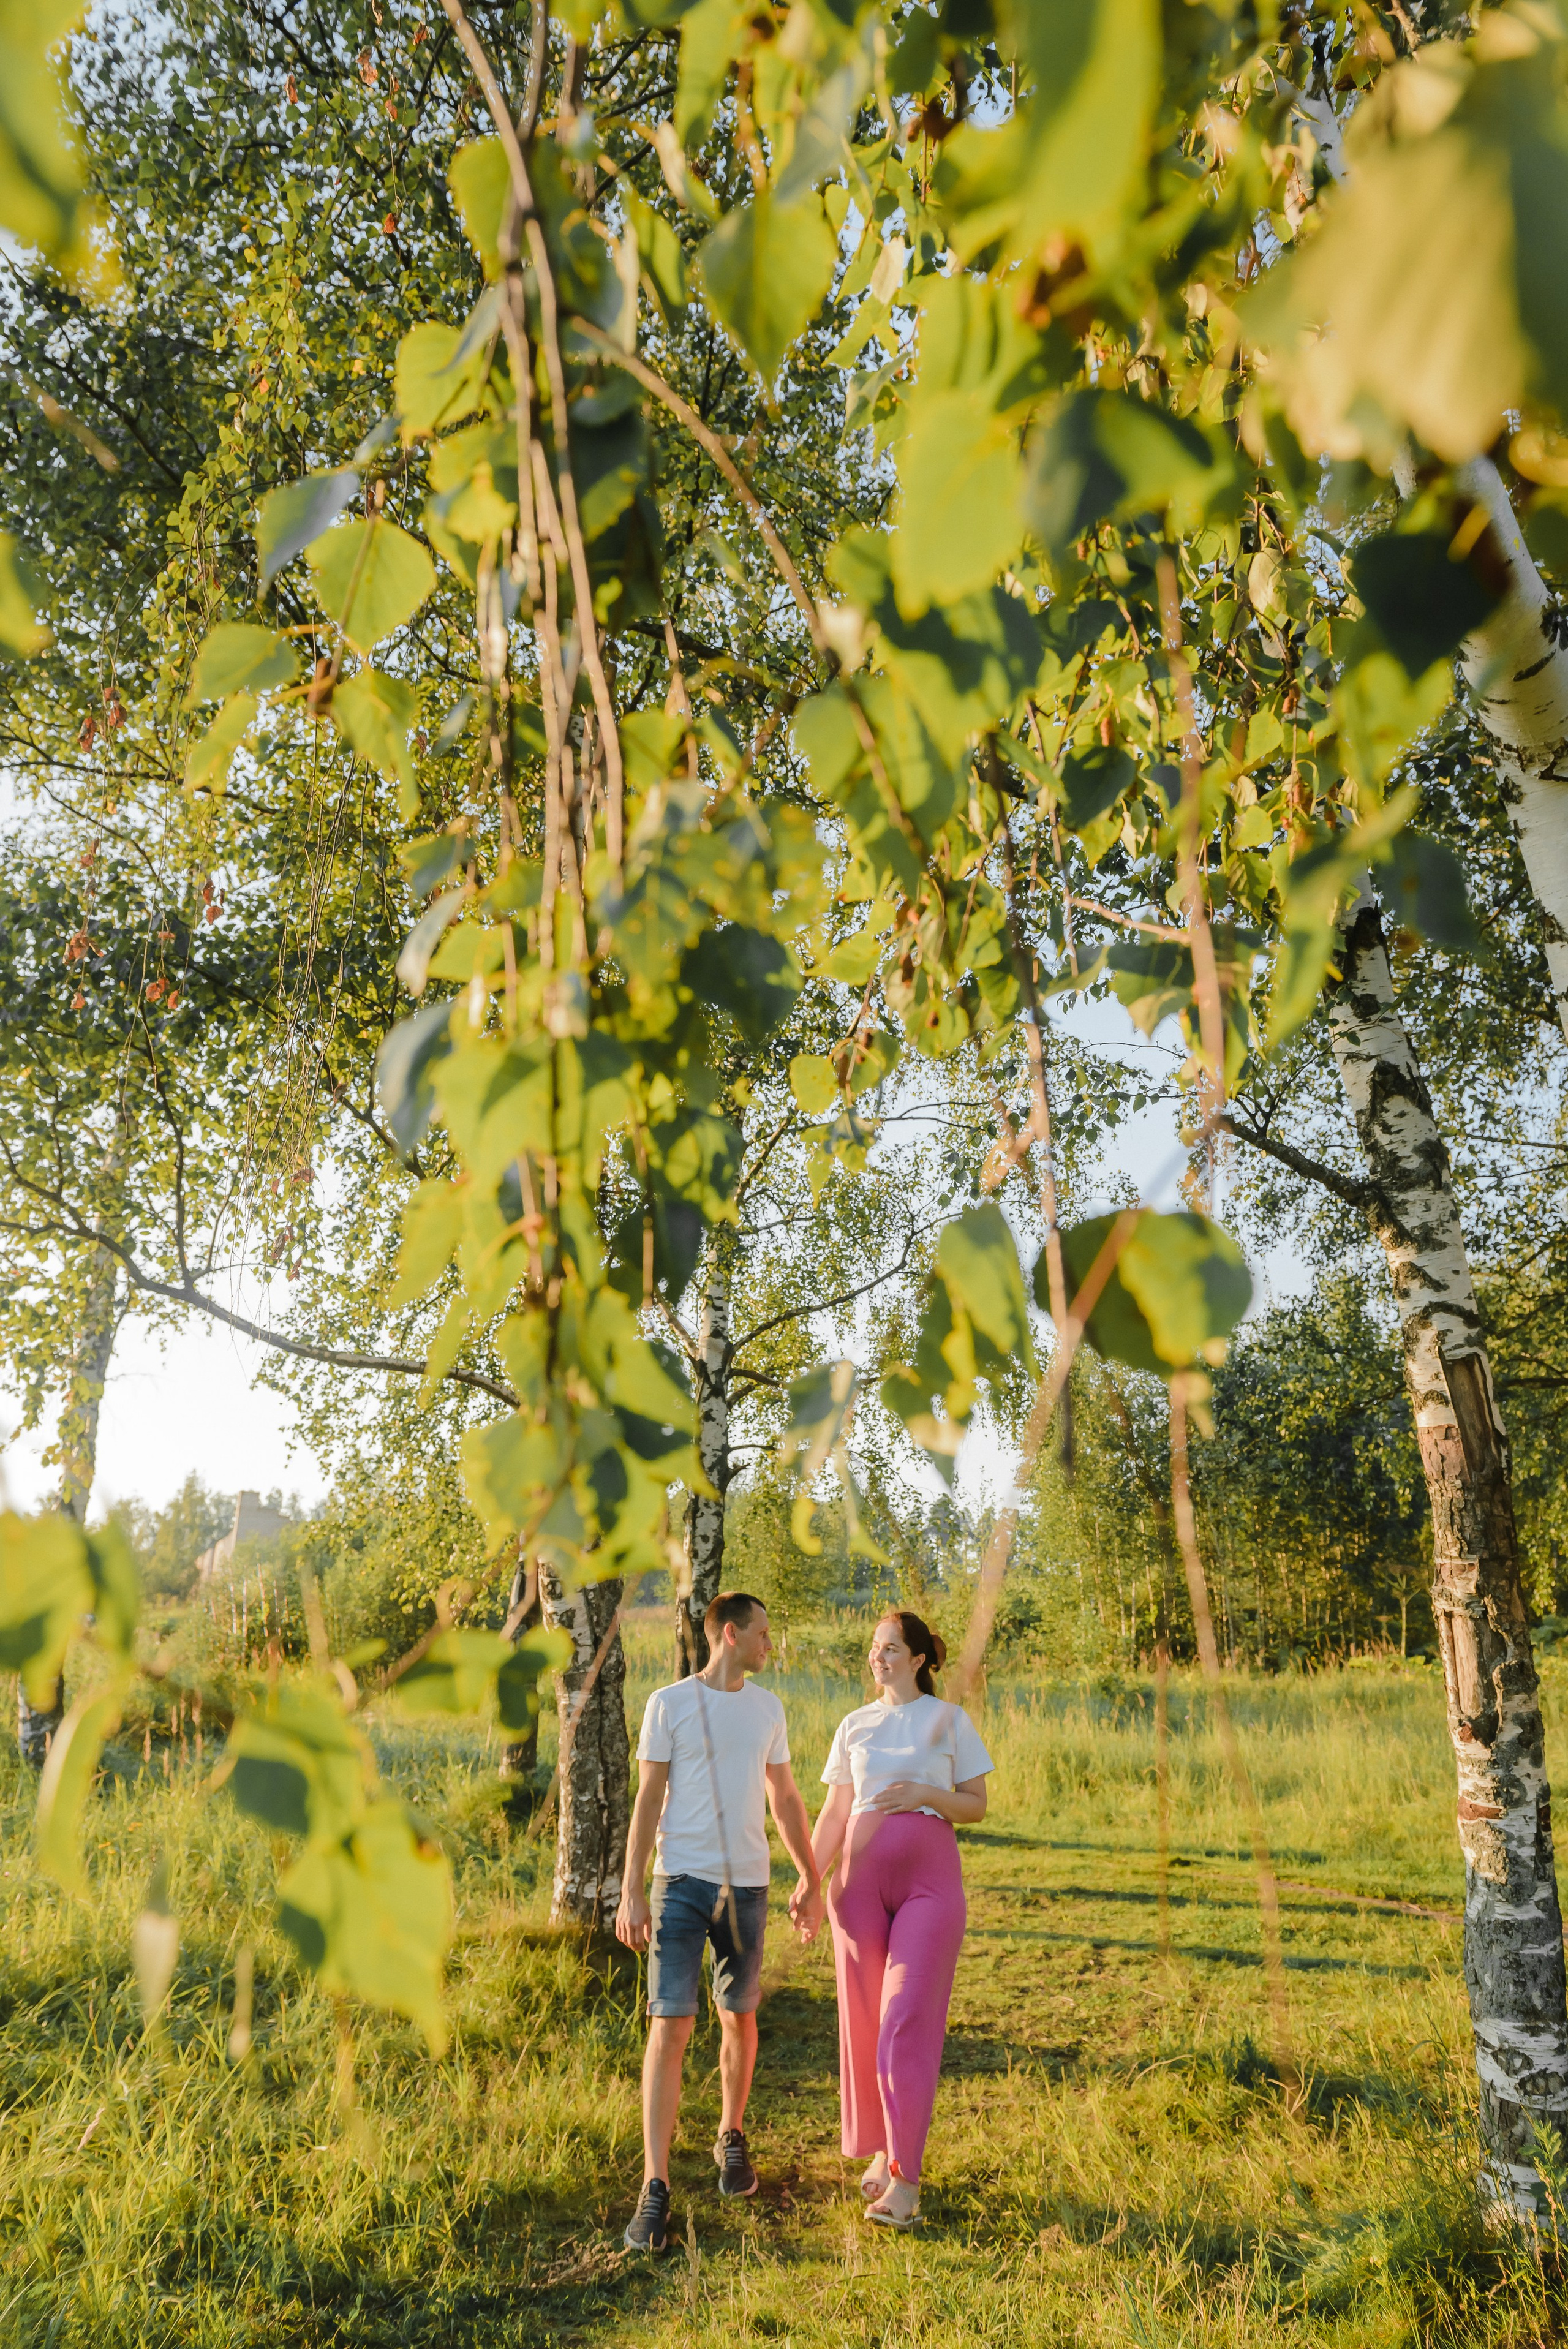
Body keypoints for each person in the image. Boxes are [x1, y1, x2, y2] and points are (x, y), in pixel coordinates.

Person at [615, 1590, 825, 2252]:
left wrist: (812, 1875)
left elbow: (785, 1796)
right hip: (678, 1882)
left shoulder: (768, 1708)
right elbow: (648, 1798)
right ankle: (655, 2187)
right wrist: (631, 1891)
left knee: (739, 2016)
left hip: (748, 1887)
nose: (771, 1643)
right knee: (669, 2025)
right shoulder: (669, 1704)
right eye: (764, 1632)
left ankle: (730, 2135)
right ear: (729, 1634)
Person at [812, 1609, 992, 2230]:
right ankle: (883, 2144)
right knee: (865, 2022)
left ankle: (905, 2181)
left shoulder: (948, 1720)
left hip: (928, 1884)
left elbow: (975, 1804)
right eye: (873, 1647)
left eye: (891, 1648)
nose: (878, 1656)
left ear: (918, 1659)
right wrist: (810, 1882)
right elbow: (834, 1813)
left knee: (905, 2018)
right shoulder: (854, 1725)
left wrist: (924, 1795)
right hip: (856, 1891)